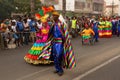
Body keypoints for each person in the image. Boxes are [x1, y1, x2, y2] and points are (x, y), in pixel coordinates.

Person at [50, 11, 76, 76]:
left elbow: (65, 33)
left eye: (54, 16)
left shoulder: (61, 24)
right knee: (54, 56)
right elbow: (51, 33)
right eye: (53, 16)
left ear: (57, 17)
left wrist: (65, 42)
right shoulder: (53, 24)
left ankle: (60, 70)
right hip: (54, 42)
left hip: (60, 42)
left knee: (59, 56)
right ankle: (57, 68)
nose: (53, 17)